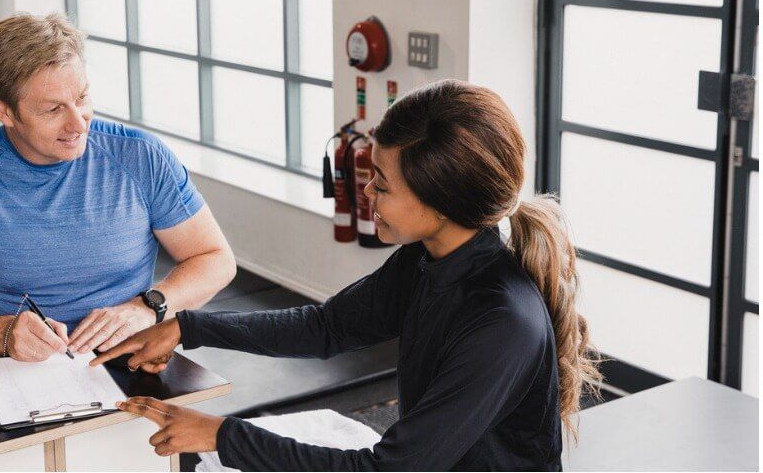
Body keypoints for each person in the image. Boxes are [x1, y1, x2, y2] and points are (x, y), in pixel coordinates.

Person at [93, 79, 602, 470]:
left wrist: (221, 436)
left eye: (382, 186)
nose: (367, 196)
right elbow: (327, 328)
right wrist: (189, 326)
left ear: (441, 204)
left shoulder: (501, 321)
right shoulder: (429, 259)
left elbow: (388, 469)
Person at [0, 13, 236, 362]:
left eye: (81, 98)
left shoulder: (142, 157)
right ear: (2, 109)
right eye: (52, 110)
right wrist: (3, 334)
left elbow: (216, 259)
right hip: (24, 371)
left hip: (135, 360)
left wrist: (148, 307)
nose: (78, 124)